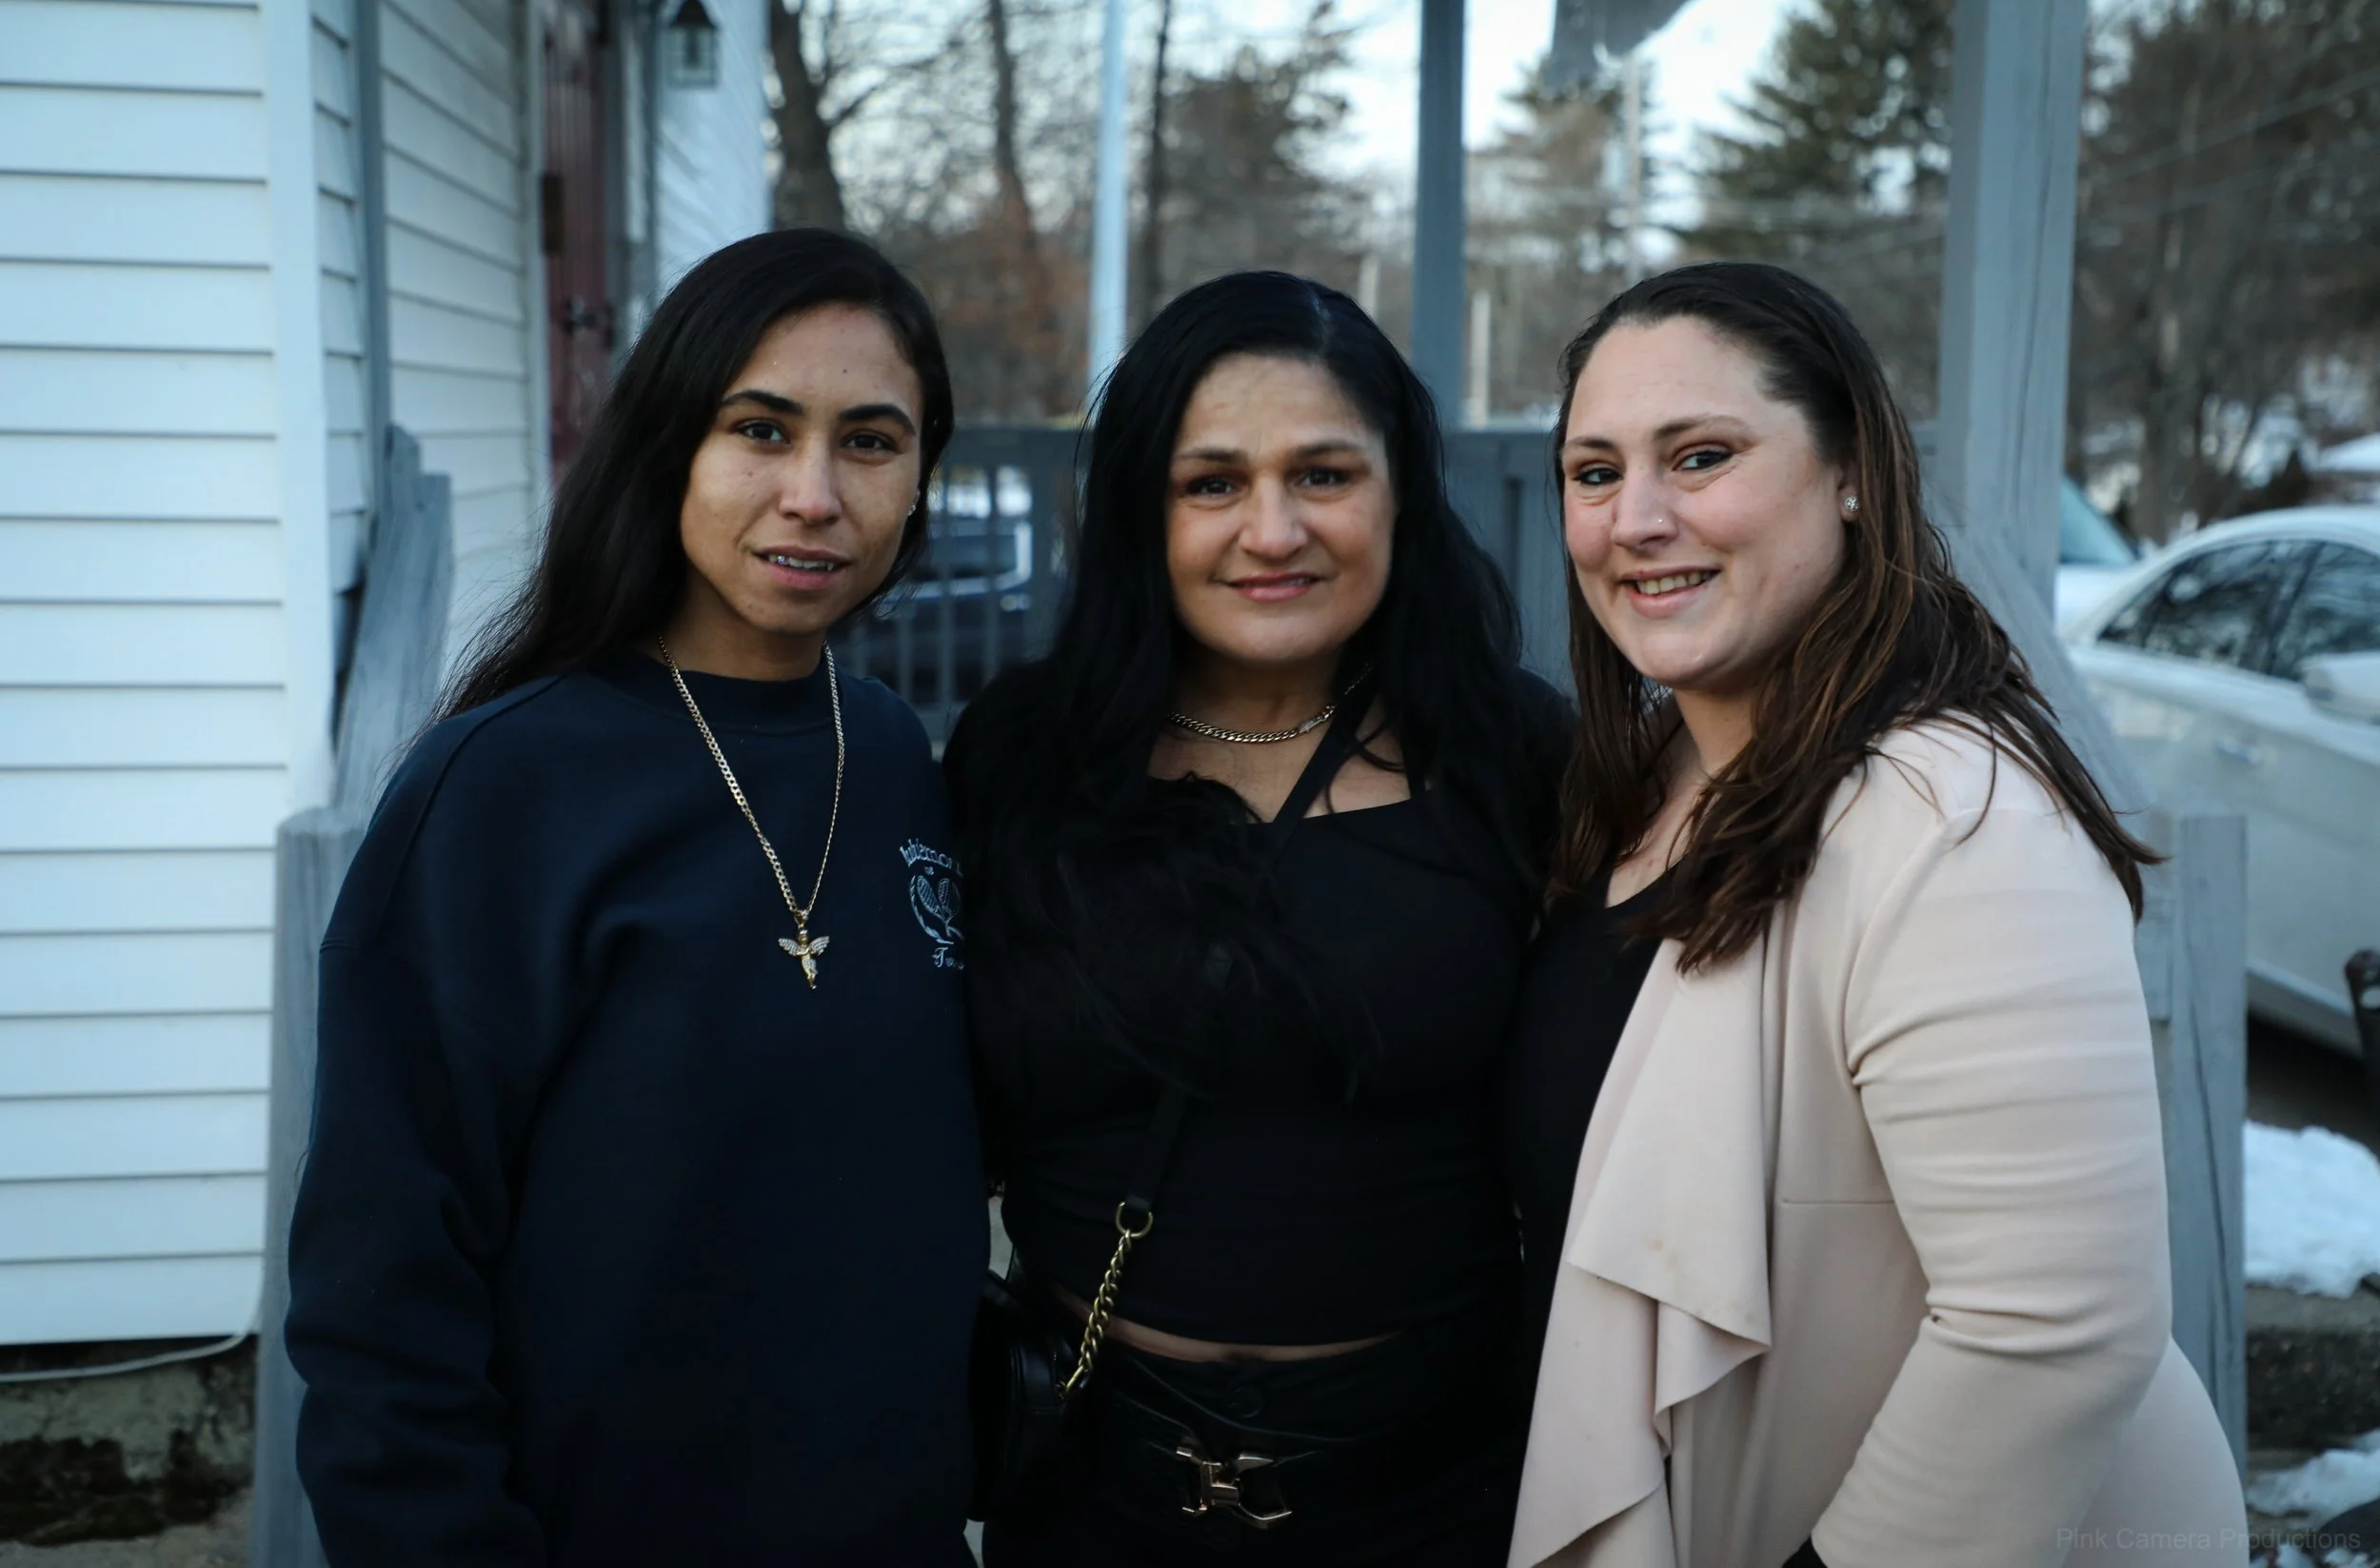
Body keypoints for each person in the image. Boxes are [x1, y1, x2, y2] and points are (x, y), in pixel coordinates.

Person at [1500, 261, 2247, 1568]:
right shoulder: (1660, 772)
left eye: (1702, 454)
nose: (1637, 518)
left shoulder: (1951, 814)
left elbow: (2051, 1331)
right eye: (1596, 471)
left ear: (1850, 469)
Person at [284, 229, 984, 1567]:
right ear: (671, 445)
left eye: (873, 441)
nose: (814, 492)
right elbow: (383, 1284)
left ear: (919, 480)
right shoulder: (500, 787)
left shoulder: (895, 758)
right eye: (762, 429)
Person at [946, 270, 1568, 1566]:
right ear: (1140, 511)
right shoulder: (1023, 757)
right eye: (1212, 482)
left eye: (1324, 475)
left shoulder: (1518, 758)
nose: (1272, 528)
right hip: (1092, 1488)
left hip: (1435, 1489)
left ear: (1401, 490)